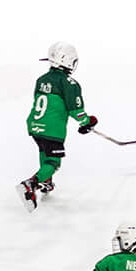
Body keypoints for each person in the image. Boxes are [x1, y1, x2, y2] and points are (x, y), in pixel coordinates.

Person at [23, 40, 95, 208]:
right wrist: (87, 122)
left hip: (34, 125)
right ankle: (31, 184)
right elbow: (76, 110)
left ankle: (46, 182)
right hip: (52, 129)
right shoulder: (70, 84)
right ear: (67, 60)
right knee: (53, 162)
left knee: (44, 151)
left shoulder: (41, 79)